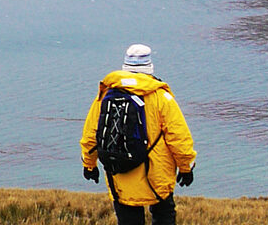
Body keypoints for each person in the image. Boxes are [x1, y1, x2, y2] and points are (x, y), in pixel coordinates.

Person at [80, 44, 197, 225]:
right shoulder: (161, 97)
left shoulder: (106, 95)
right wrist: (186, 167)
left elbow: (90, 135)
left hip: (120, 172)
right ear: (149, 67)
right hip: (156, 176)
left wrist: (90, 165)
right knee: (164, 215)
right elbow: (178, 138)